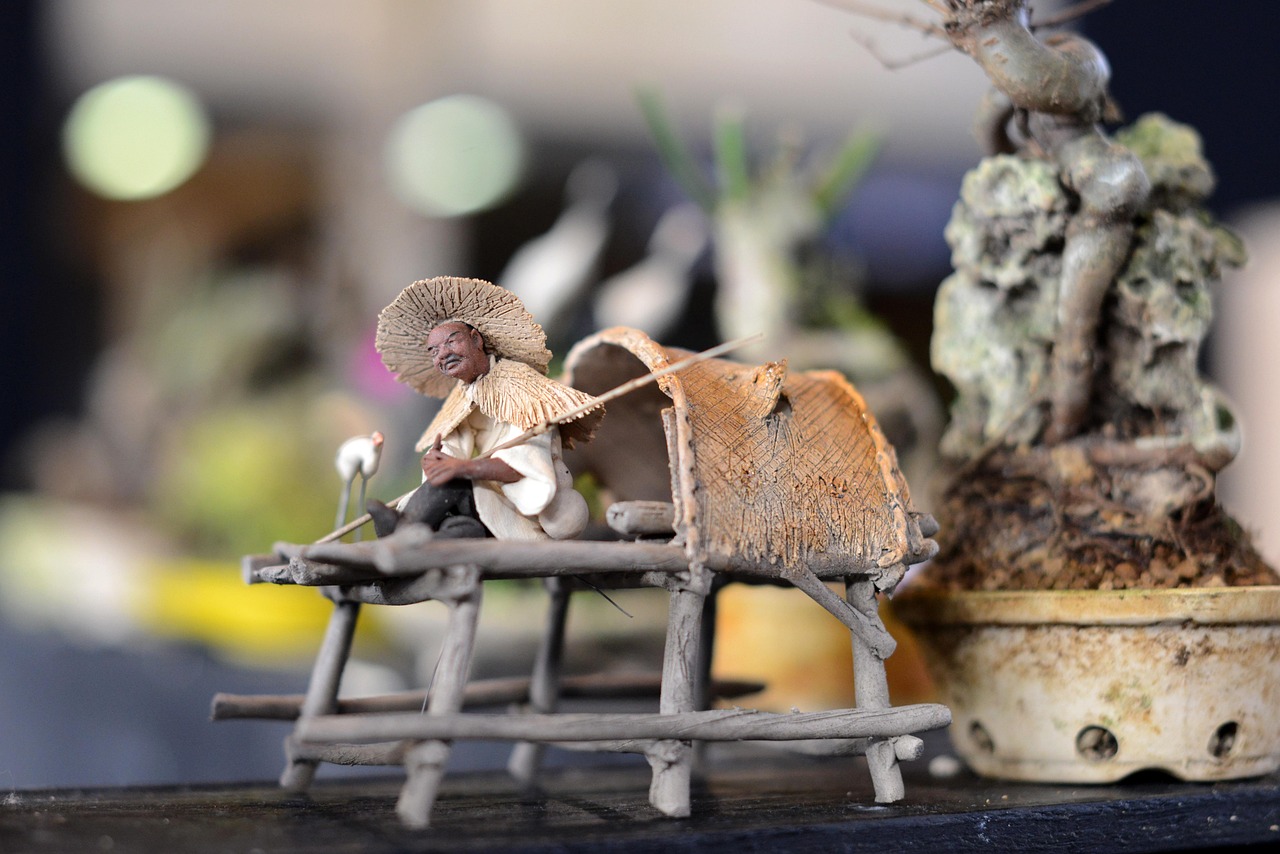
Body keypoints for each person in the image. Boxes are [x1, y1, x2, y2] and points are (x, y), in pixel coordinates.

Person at [369, 276, 603, 541]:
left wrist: (460, 468)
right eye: (434, 351)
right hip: (488, 517)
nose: (443, 354)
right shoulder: (463, 397)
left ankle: (400, 531)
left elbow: (522, 466)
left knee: (452, 481)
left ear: (476, 339)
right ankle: (412, 539)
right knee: (459, 530)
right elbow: (452, 449)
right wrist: (437, 460)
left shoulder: (521, 386)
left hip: (521, 512)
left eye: (451, 342)